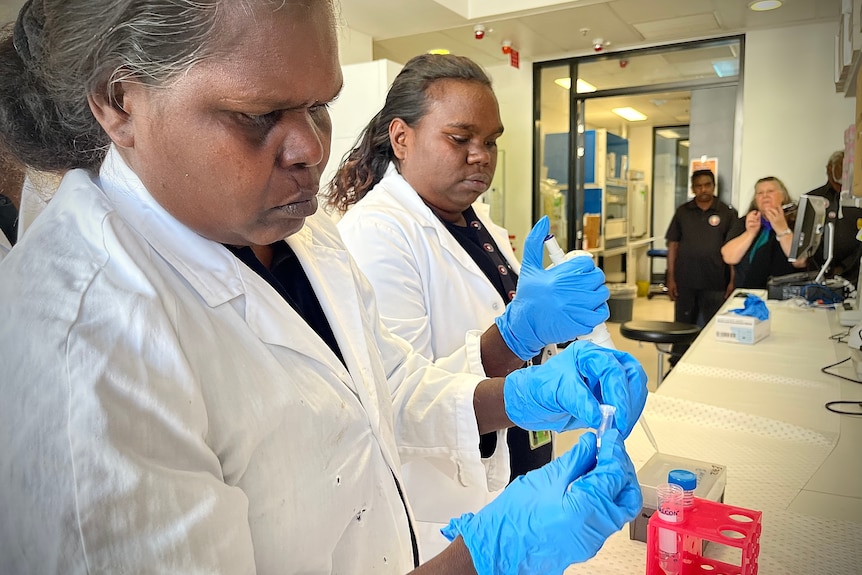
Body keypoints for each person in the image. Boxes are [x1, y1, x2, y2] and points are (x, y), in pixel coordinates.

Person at [0, 2, 647, 574]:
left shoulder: (302, 232)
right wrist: (484, 557)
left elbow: (387, 385)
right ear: (120, 101)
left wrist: (524, 396)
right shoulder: (81, 351)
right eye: (258, 114)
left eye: (319, 106)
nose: (311, 147)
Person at [327, 53, 622, 560]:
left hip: (516, 463)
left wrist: (571, 343)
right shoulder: (377, 233)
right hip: (448, 495)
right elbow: (404, 397)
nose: (480, 155)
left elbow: (510, 326)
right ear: (402, 138)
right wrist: (518, 337)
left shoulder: (472, 219)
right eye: (459, 139)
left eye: (490, 141)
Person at [664, 169, 737, 364]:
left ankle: (712, 363)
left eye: (707, 185)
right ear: (693, 188)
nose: (703, 189)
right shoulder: (682, 212)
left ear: (714, 187)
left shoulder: (728, 213)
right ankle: (676, 365)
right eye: (699, 185)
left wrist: (733, 281)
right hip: (685, 280)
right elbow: (673, 245)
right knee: (681, 326)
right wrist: (670, 278)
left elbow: (734, 250)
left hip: (716, 282)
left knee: (714, 327)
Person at [721, 176, 808, 289]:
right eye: (760, 193)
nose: (765, 196)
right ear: (755, 200)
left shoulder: (797, 221)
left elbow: (800, 261)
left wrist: (782, 229)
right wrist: (750, 233)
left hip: (785, 294)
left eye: (770, 191)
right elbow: (729, 257)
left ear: (783, 196)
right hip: (748, 293)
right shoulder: (746, 221)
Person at [806, 150, 862, 282]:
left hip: (854, 274)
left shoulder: (859, 200)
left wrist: (844, 267)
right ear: (829, 169)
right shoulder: (813, 198)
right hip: (816, 274)